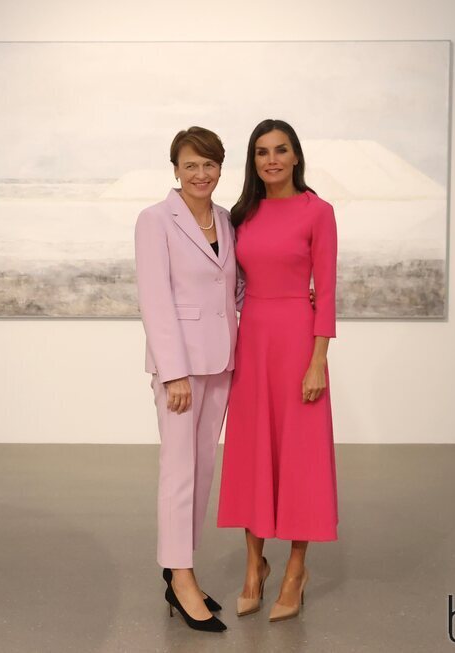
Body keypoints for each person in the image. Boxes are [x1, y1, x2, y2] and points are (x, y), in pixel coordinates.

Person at [217, 119, 339, 623]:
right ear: (254, 160)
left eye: (280, 150)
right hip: (253, 340)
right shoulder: (241, 214)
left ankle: (295, 570)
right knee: (252, 454)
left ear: (295, 156)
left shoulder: (319, 211)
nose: (271, 159)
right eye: (262, 152)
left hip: (297, 343)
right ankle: (254, 567)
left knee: (300, 457)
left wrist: (317, 363)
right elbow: (228, 279)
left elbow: (326, 292)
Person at [134, 126, 239, 633]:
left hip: (221, 363)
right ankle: (180, 578)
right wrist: (173, 373)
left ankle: (182, 569)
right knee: (178, 471)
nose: (201, 174)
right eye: (191, 165)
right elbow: (155, 301)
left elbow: (229, 288)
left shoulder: (224, 219)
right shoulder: (154, 221)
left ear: (221, 168)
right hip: (181, 370)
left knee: (201, 470)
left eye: (210, 164)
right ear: (175, 168)